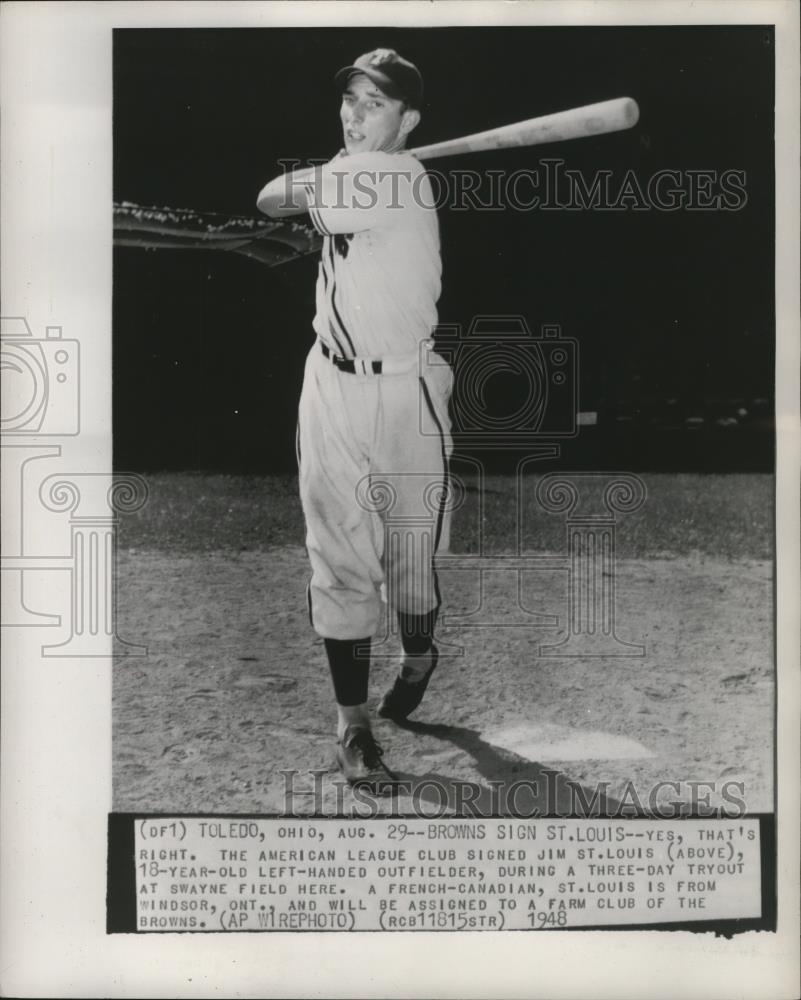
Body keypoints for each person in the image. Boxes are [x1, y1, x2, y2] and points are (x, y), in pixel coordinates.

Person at [257, 49, 452, 792]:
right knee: (339, 557)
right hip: (332, 384)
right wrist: (338, 170)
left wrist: (328, 177)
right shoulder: (357, 168)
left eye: (376, 104)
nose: (355, 114)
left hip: (406, 390)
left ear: (410, 120)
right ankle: (354, 725)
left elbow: (270, 193)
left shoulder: (392, 176)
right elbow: (280, 199)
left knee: (408, 559)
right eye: (351, 100)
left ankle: (419, 651)